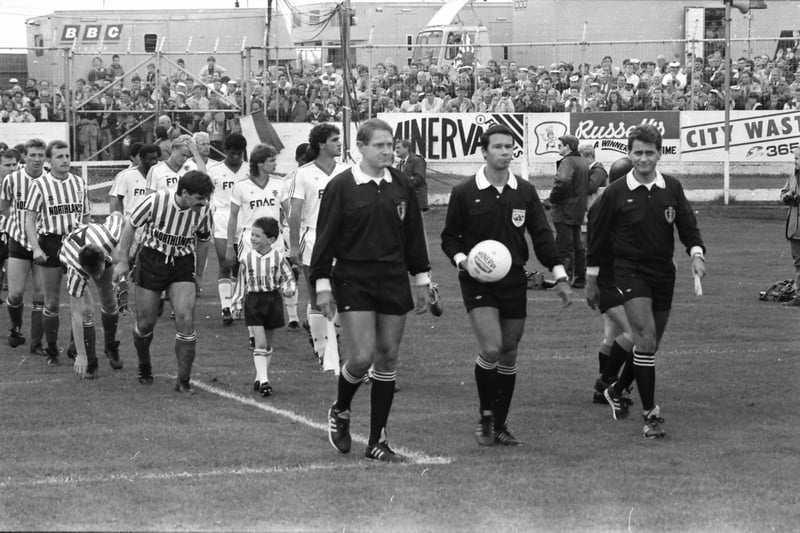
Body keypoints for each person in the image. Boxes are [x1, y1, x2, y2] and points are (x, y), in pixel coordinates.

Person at [441, 124, 571, 447]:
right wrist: (462, 260)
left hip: (514, 279)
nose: (504, 152)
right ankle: (485, 415)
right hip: (476, 280)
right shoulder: (464, 191)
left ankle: (500, 424)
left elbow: (541, 235)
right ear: (484, 152)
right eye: (497, 146)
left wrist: (559, 273)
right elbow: (450, 237)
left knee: (509, 353)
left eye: (509, 147)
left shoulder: (524, 191)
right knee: (491, 348)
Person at [312, 118, 431, 463]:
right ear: (360, 148)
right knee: (362, 357)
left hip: (393, 278)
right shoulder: (342, 186)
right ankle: (341, 408)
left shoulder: (401, 184)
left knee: (388, 356)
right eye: (379, 145)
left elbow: (413, 233)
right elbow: (326, 237)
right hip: (354, 278)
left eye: (390, 145)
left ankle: (378, 439)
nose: (386, 151)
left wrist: (421, 278)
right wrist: (322, 285)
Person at [587, 125, 707, 439]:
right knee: (645, 339)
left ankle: (615, 387)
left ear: (659, 153)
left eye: (649, 152)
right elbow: (597, 240)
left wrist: (696, 253)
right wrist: (592, 279)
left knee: (650, 344)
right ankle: (650, 415)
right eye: (638, 152)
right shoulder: (614, 192)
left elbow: (687, 226)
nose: (643, 158)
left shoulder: (672, 187)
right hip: (629, 273)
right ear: (629, 153)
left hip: (663, 274)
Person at [113, 171, 214, 392]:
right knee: (146, 323)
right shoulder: (156, 200)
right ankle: (144, 363)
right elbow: (130, 226)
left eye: (206, 198)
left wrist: (198, 274)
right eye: (199, 198)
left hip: (182, 263)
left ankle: (184, 380)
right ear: (184, 193)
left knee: (186, 320)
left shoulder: (204, 210)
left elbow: (204, 240)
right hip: (152, 260)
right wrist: (123, 261)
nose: (203, 203)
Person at [24, 140, 90, 366]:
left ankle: (75, 346)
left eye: (67, 156)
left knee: (79, 300)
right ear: (49, 161)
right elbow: (29, 219)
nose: (65, 160)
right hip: (51, 243)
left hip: (75, 243)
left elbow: (87, 216)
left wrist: (89, 241)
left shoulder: (79, 183)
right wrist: (36, 247)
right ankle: (52, 348)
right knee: (51, 301)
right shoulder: (39, 185)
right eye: (59, 156)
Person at [289, 124, 349, 361]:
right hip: (313, 238)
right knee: (316, 297)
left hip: (344, 241)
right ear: (321, 144)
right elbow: (295, 211)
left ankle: (332, 338)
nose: (339, 143)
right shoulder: (303, 173)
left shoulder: (347, 171)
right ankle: (323, 351)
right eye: (335, 140)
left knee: (348, 296)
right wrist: (294, 245)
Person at [226, 144, 291, 347]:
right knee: (250, 284)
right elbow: (233, 217)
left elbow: (288, 212)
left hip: (274, 239)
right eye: (271, 160)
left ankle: (276, 320)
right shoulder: (241, 186)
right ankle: (253, 332)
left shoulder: (279, 184)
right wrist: (230, 244)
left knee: (275, 281)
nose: (275, 163)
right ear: (260, 163)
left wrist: (291, 236)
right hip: (250, 238)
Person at [585, 157, 635, 406]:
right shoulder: (608, 205)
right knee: (634, 332)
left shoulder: (610, 201)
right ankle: (607, 383)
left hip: (614, 277)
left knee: (612, 335)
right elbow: (595, 245)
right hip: (609, 280)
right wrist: (592, 280)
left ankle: (602, 390)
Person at [60, 211, 126, 379]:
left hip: (97, 246)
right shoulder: (76, 270)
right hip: (69, 253)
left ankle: (110, 346)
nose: (96, 277)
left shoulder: (110, 236)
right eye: (93, 273)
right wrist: (81, 355)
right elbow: (75, 314)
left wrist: (123, 253)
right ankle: (90, 360)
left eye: (99, 271)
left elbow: (118, 214)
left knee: (110, 302)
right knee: (87, 311)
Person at [239, 216, 296, 397]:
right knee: (260, 343)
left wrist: (288, 290)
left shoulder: (279, 258)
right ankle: (264, 382)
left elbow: (289, 279)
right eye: (252, 235)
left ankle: (259, 376)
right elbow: (241, 283)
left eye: (257, 235)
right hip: (254, 301)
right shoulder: (246, 258)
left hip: (273, 301)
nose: (253, 239)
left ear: (270, 240)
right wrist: (236, 303)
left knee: (268, 344)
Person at [1, 142, 46, 355]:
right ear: (24, 158)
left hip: (44, 244)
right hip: (18, 242)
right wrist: (16, 225)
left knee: (40, 294)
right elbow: (4, 207)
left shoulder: (50, 180)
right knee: (16, 293)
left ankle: (36, 343)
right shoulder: (11, 180)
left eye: (41, 155)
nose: (37, 159)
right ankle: (15, 328)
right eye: (32, 155)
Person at [207, 133, 248, 326]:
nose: (236, 157)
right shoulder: (214, 170)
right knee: (226, 262)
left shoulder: (250, 170)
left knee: (244, 265)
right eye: (232, 154)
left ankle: (238, 302)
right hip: (223, 218)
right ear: (225, 152)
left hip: (247, 218)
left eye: (239, 154)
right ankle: (226, 308)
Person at [549, 134, 590, 289]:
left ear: (567, 146)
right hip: (578, 208)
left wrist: (553, 198)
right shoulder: (582, 162)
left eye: (560, 145)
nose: (558, 147)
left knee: (564, 246)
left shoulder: (568, 162)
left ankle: (564, 280)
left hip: (565, 209)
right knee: (578, 246)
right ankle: (580, 278)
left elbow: (563, 181)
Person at [780, 146, 800, 306]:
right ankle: (799, 295)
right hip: (794, 227)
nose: (796, 162)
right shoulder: (793, 176)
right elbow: (784, 192)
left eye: (798, 159)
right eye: (795, 159)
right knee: (798, 262)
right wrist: (787, 197)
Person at [394, 139, 428, 212]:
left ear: (406, 148)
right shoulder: (398, 166)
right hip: (404, 202)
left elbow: (418, 179)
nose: (396, 150)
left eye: (398, 147)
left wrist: (402, 182)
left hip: (416, 201)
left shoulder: (417, 160)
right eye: (395, 148)